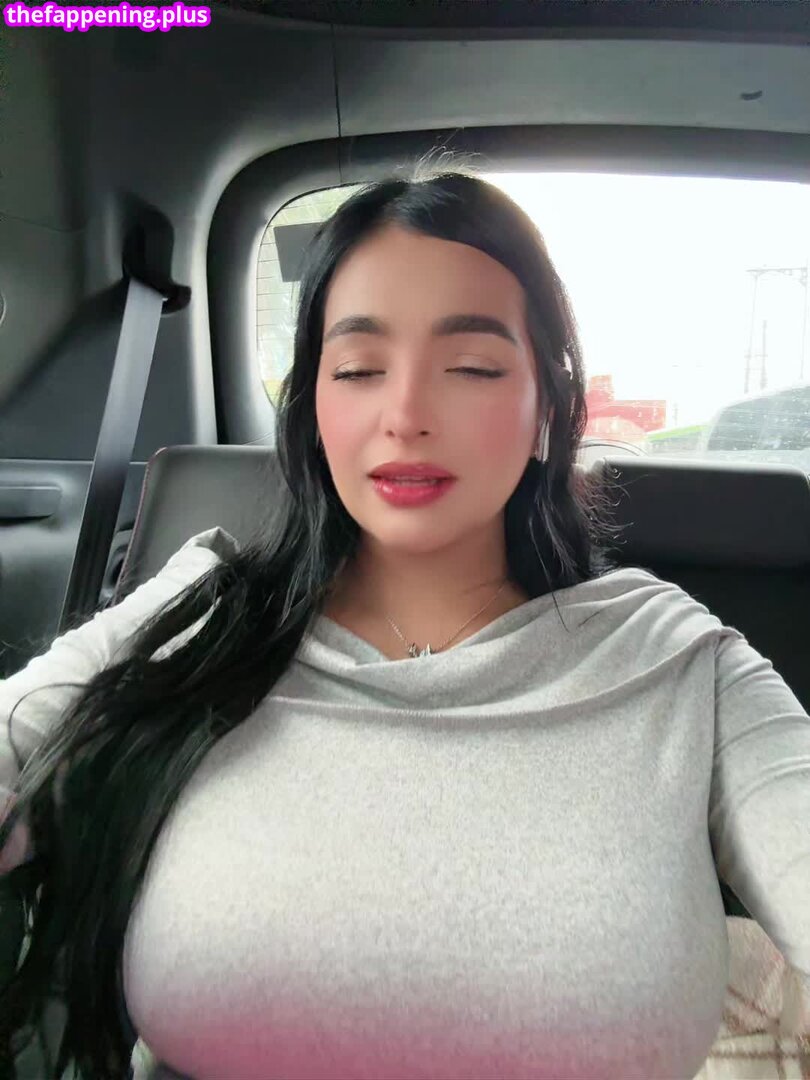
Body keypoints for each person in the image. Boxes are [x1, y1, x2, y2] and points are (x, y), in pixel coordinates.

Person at [0, 168, 808, 1080]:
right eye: (357, 369)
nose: (407, 415)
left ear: (547, 409)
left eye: (471, 367)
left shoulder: (679, 660)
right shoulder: (206, 610)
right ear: (315, 408)